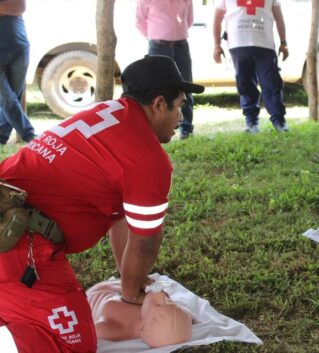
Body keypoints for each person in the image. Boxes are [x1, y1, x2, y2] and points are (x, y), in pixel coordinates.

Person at [0, 55, 204, 353]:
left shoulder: (109, 113)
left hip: (13, 226)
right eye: (180, 105)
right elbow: (146, 240)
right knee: (73, 344)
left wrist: (128, 284)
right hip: (18, 245)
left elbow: (120, 217)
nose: (182, 117)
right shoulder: (147, 158)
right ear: (159, 104)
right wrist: (131, 292)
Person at [213, 0, 289, 133]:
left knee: (271, 83)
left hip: (265, 44)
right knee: (245, 83)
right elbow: (217, 18)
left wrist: (283, 42)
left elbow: (279, 16)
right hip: (238, 44)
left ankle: (279, 122)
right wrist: (217, 45)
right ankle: (251, 122)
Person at [136, 0, 196, 139]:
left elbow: (189, 20)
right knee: (158, 89)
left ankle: (186, 128)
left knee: (186, 85)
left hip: (181, 45)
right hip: (158, 45)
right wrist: (155, 36)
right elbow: (140, 21)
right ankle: (157, 128)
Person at [87, 281, 192, 348]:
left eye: (158, 305)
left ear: (143, 327)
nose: (162, 296)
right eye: (170, 302)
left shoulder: (115, 330)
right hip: (112, 287)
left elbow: (96, 329)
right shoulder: (148, 314)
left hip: (94, 297)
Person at [0, 0, 36, 144]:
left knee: (14, 96)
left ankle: (1, 137)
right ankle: (29, 135)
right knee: (7, 98)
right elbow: (13, 7)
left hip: (19, 48)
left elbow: (20, 6)